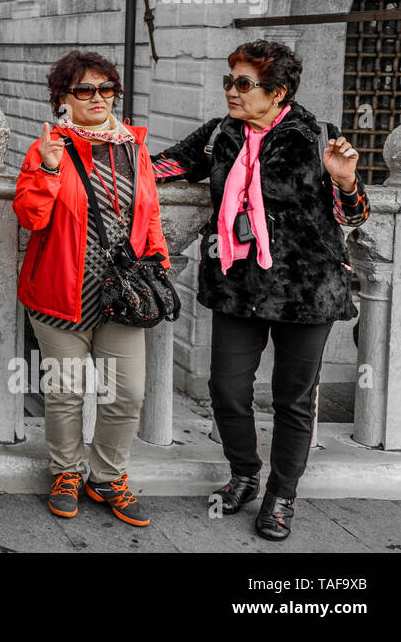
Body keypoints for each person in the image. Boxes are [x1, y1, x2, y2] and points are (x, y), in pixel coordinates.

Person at [151, 40, 368, 541]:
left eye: (243, 83)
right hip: (238, 287)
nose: (231, 91)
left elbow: (354, 217)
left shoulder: (316, 136)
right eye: (229, 81)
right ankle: (244, 473)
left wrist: (347, 180)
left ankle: (281, 495)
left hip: (307, 290)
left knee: (294, 400)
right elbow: (162, 166)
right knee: (227, 389)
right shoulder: (219, 135)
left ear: (278, 92)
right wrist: (99, 146)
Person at [13, 51, 169, 527]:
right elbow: (30, 217)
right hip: (61, 294)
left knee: (128, 394)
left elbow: (150, 216)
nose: (98, 98)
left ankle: (108, 477)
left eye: (106, 89)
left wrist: (158, 266)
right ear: (63, 97)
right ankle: (65, 473)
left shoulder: (134, 149)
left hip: (121, 296)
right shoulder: (49, 147)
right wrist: (47, 168)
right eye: (85, 90)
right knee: (65, 391)